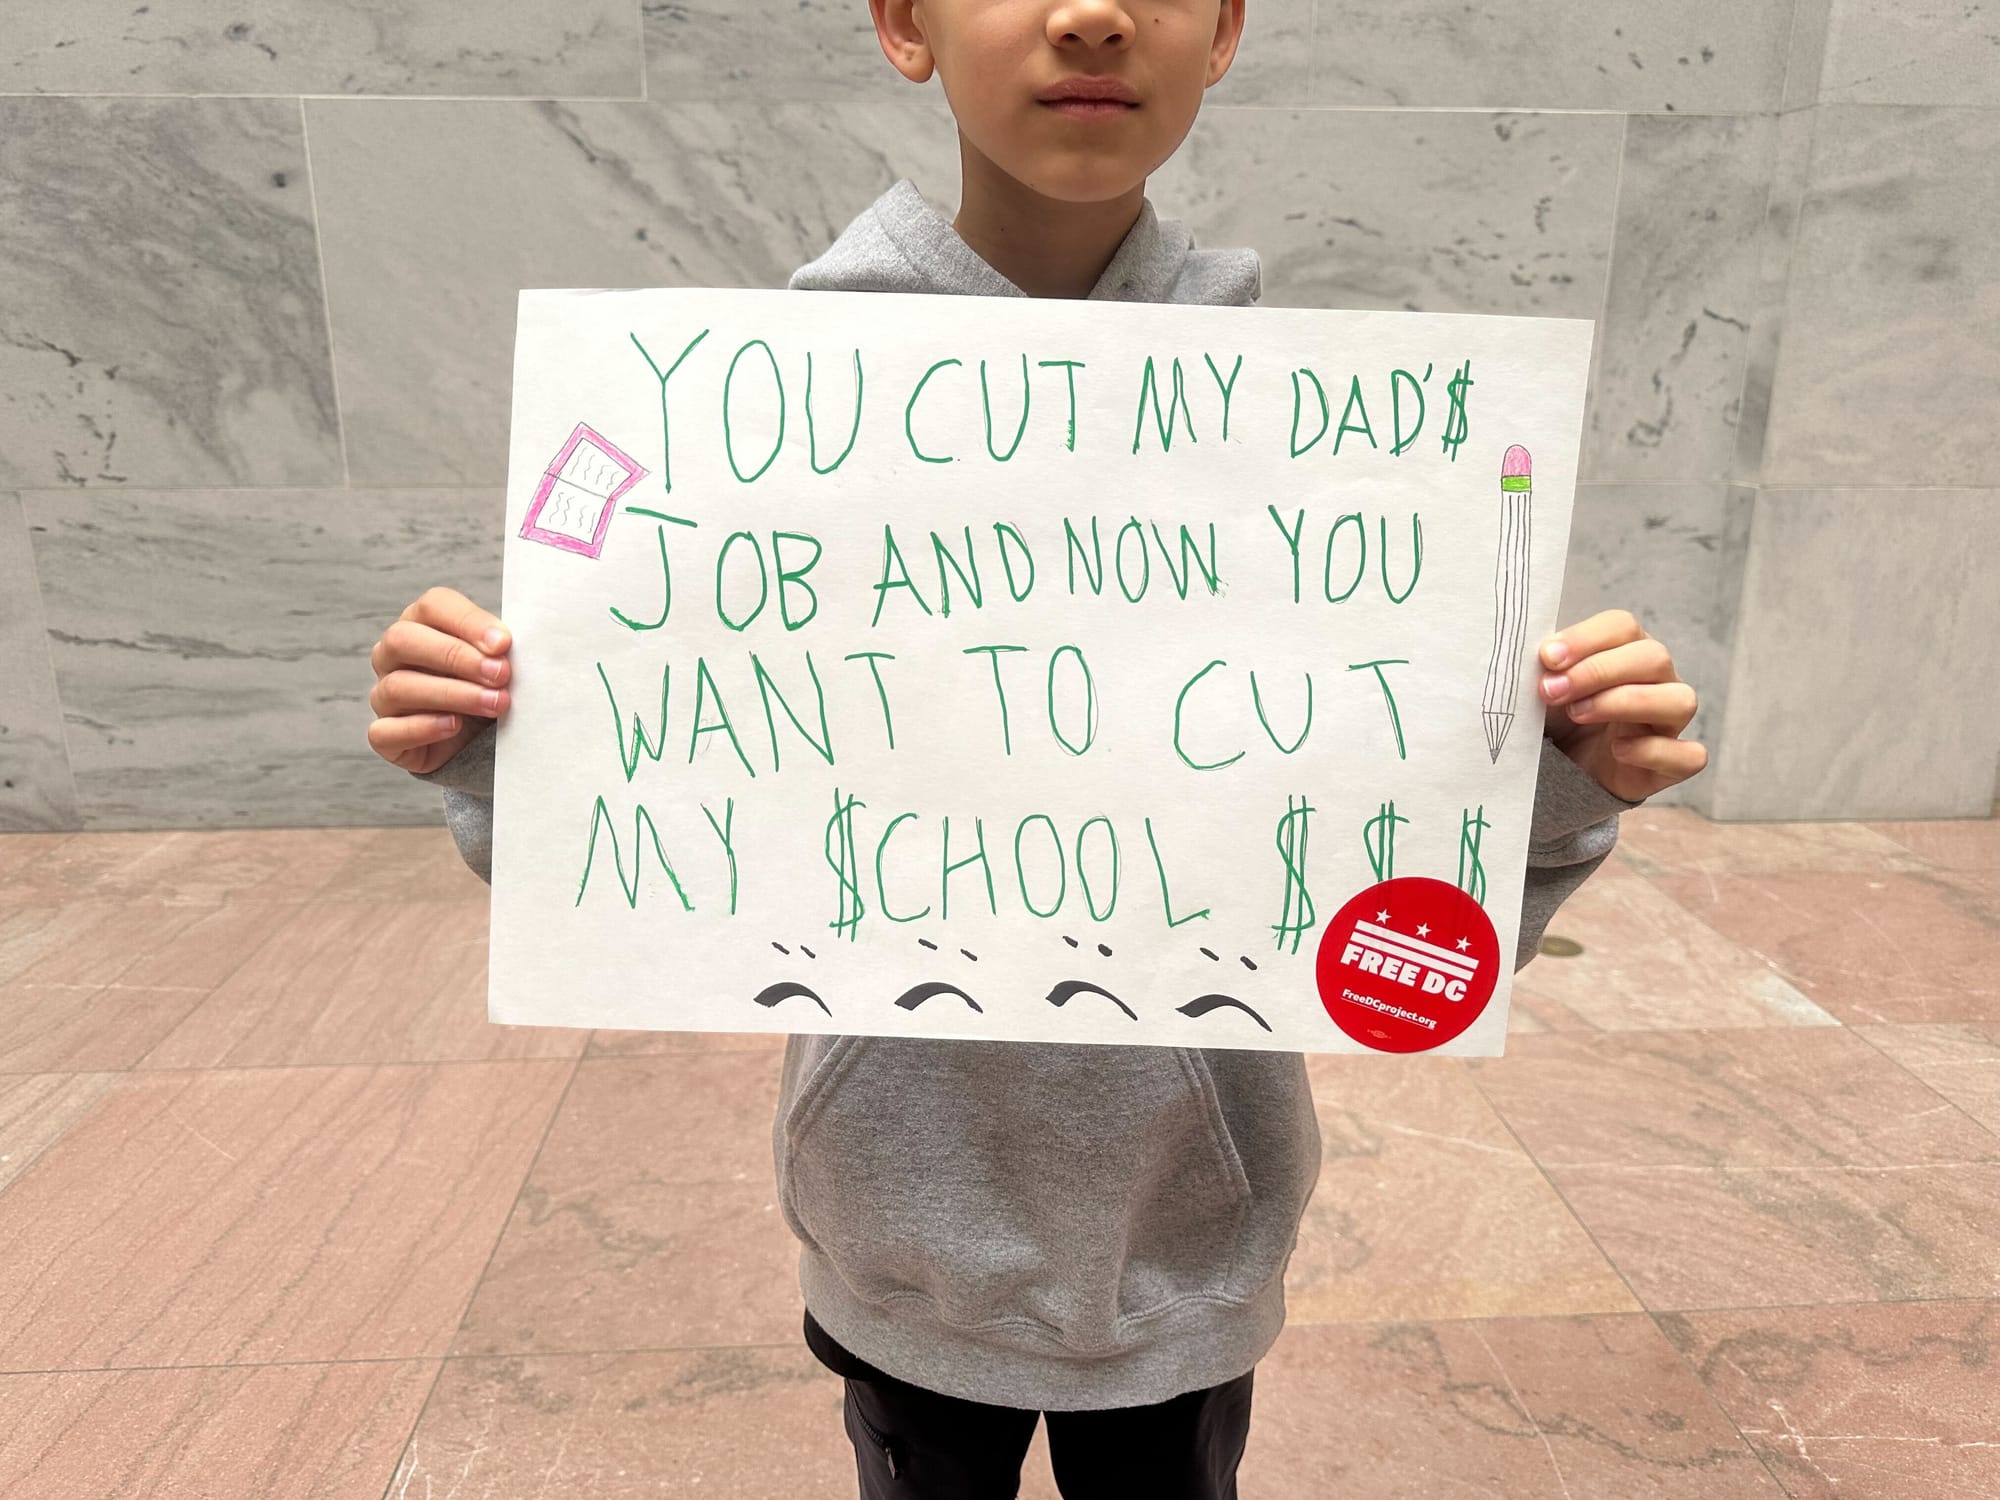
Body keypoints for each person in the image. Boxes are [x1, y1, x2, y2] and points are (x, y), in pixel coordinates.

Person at [366, 2, 1709, 1494]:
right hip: (901, 1242)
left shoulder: (1343, 470)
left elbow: (1417, 928)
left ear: (1224, 31)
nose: (1090, 10)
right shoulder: (746, 435)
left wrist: (1570, 776)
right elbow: (647, 847)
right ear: (903, 22)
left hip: (1188, 1246)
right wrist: (490, 736)